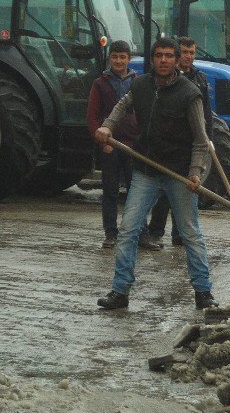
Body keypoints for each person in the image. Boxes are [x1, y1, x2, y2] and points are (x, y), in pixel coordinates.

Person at [93, 37, 218, 310]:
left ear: (176, 60)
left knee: (189, 233)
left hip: (179, 174)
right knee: (128, 229)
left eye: (169, 56)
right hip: (146, 170)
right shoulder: (140, 85)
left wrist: (196, 172)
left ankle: (203, 292)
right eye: (159, 55)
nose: (163, 60)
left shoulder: (189, 93)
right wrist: (107, 126)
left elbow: (200, 140)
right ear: (153, 59)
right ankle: (120, 291)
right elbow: (122, 107)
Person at [141, 36, 213, 249]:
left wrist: (208, 137)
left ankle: (180, 234)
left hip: (193, 146)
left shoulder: (200, 79)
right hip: (170, 144)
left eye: (192, 52)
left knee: (188, 189)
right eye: (185, 52)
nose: (189, 57)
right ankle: (155, 232)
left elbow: (205, 112)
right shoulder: (167, 80)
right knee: (165, 192)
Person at [87, 40, 139, 249]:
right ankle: (111, 233)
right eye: (115, 57)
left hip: (133, 147)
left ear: (129, 59)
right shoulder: (100, 83)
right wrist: (102, 143)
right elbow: (92, 117)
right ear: (110, 59)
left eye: (123, 57)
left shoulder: (138, 82)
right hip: (110, 146)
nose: (119, 61)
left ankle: (139, 232)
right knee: (110, 191)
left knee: (137, 192)